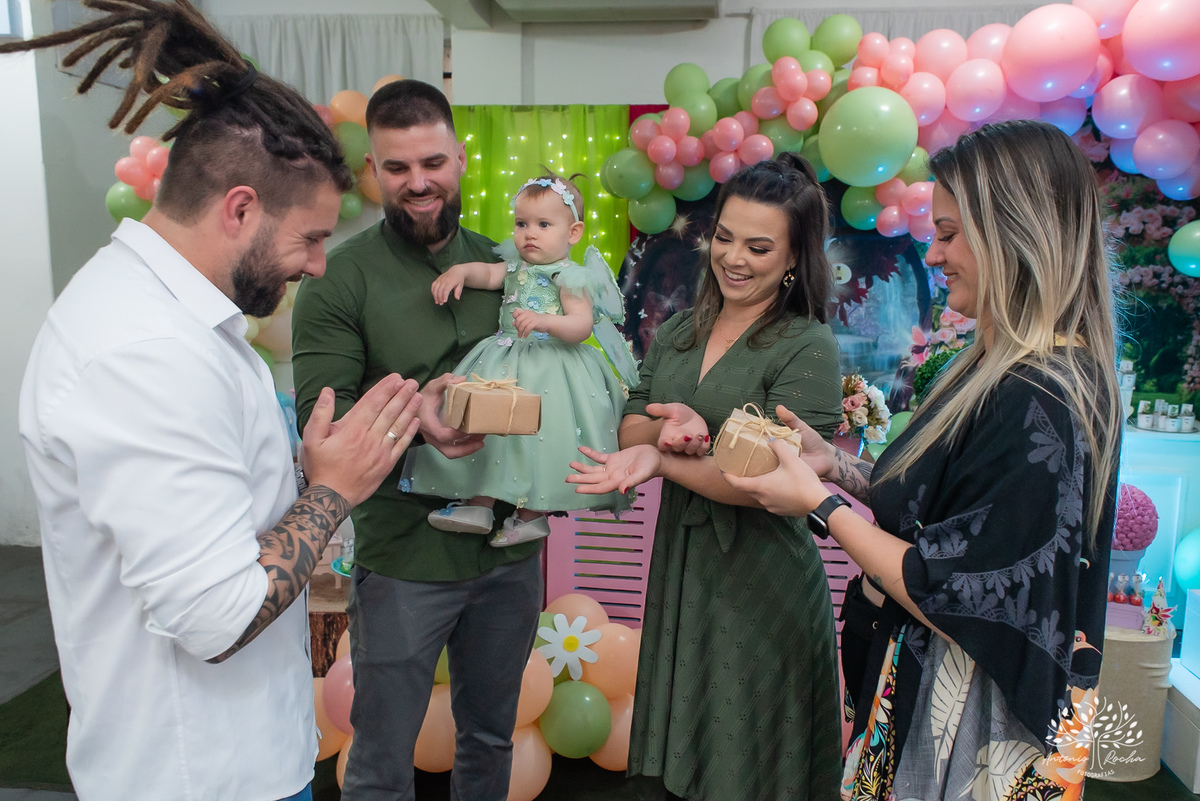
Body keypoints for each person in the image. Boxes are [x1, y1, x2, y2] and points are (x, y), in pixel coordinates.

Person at [7, 3, 424, 800]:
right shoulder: (144, 351)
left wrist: (311, 477)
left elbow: (223, 518)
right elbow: (218, 616)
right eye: (310, 238)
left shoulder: (180, 321)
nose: (319, 265)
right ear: (239, 208)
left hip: (243, 753)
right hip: (197, 775)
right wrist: (335, 491)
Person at [724, 120, 1121, 801]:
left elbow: (954, 586)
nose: (934, 256)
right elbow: (956, 512)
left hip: (965, 729)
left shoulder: (1041, 395)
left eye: (948, 233)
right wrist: (836, 468)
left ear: (1013, 232)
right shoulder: (997, 367)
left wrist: (817, 507)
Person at [291, 80, 543, 801]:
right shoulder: (340, 280)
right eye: (397, 168)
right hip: (404, 559)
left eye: (432, 161)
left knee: (491, 738)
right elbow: (324, 426)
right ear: (374, 171)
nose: (418, 182)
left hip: (510, 551)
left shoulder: (512, 268)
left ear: (461, 159)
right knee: (380, 759)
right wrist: (418, 429)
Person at [569, 153, 845, 800]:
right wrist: (670, 432)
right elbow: (634, 424)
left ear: (795, 257)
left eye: (757, 246)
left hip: (763, 577)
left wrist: (670, 455)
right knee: (683, 763)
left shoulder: (806, 345)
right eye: (724, 237)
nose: (734, 258)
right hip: (685, 565)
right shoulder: (679, 332)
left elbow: (765, 479)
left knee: (750, 762)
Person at [411, 169, 634, 546]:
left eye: (544, 224)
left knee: (543, 438)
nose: (529, 233)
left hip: (552, 367)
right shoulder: (517, 265)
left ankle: (531, 515)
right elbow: (488, 273)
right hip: (504, 357)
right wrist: (460, 271)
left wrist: (545, 320)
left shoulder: (569, 276)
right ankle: (478, 503)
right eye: (521, 223)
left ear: (573, 233)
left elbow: (580, 326)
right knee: (489, 428)